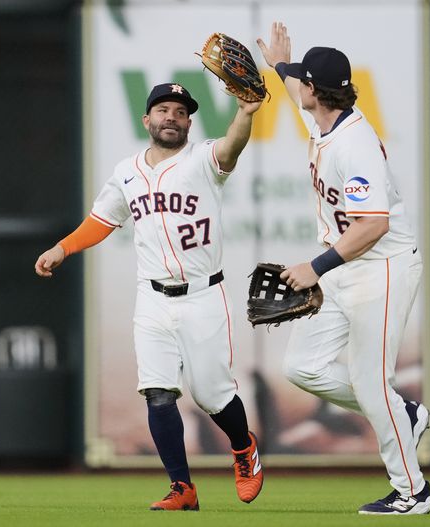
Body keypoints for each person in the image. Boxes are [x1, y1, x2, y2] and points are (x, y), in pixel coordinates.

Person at [35, 82, 264, 511]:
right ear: (147, 120)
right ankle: (182, 488)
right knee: (158, 392)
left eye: (180, 111)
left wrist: (245, 114)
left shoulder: (203, 160)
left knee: (212, 395)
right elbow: (102, 219)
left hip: (203, 294)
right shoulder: (127, 172)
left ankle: (242, 446)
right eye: (163, 109)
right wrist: (63, 248)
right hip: (153, 297)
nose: (171, 117)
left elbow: (232, 147)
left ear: (190, 123)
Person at [256, 23, 430, 515]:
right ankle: (403, 414)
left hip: (382, 267)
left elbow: (373, 225)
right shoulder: (324, 118)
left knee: (371, 382)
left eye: (304, 81)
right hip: (346, 265)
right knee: (302, 367)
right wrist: (281, 65)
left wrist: (316, 267)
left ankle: (412, 491)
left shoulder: (354, 145)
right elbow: (298, 93)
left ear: (317, 90)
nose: (299, 88)